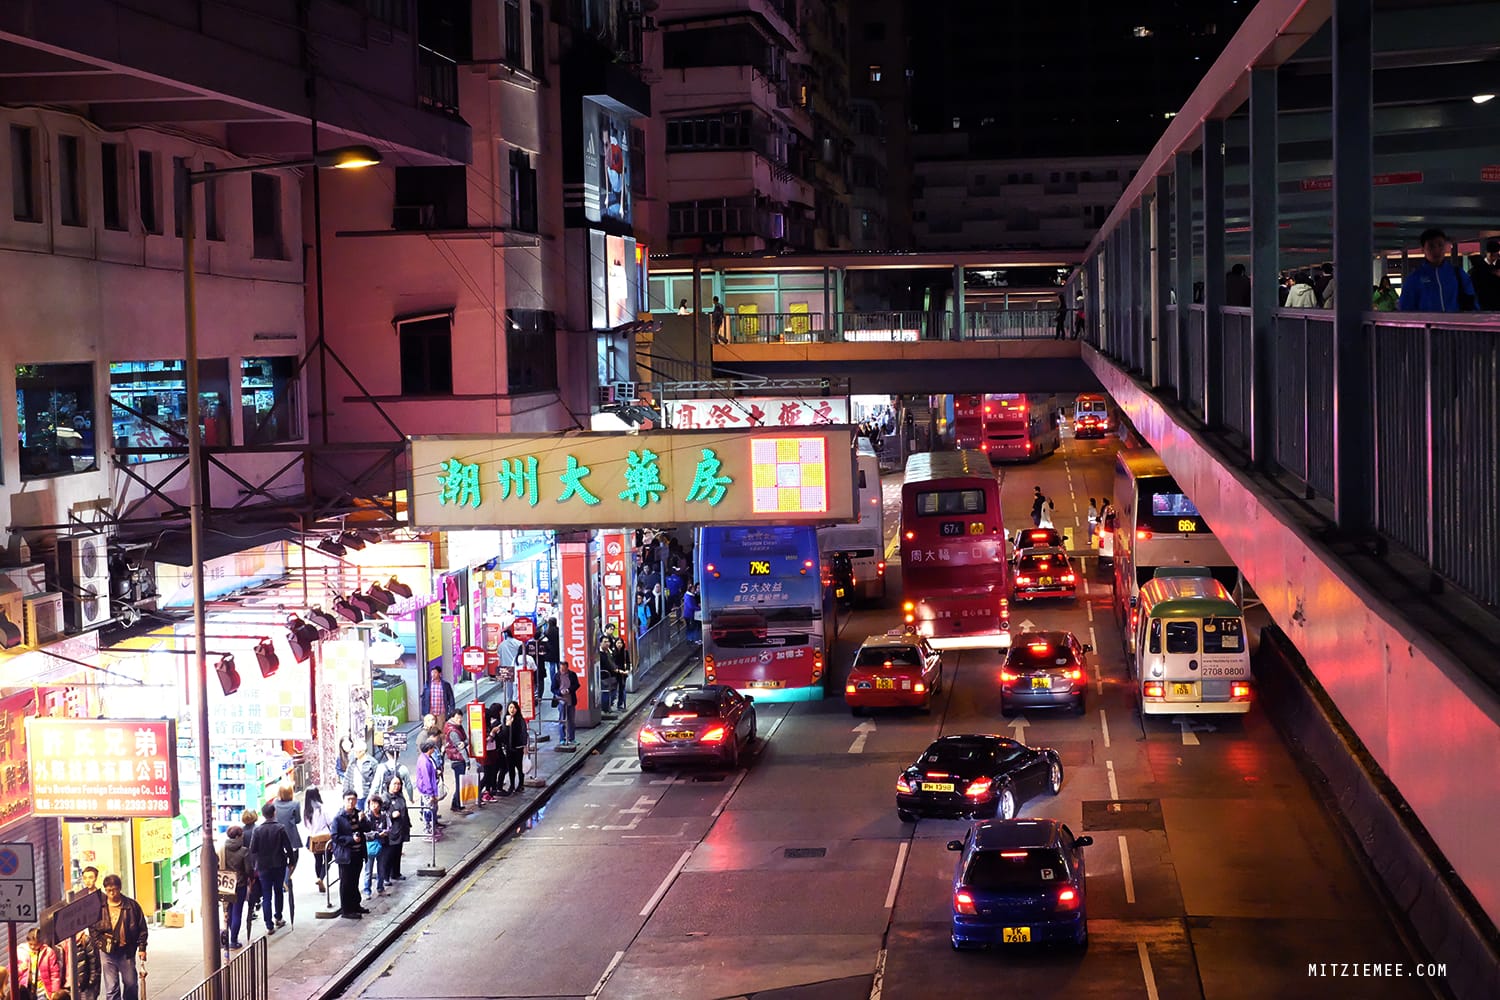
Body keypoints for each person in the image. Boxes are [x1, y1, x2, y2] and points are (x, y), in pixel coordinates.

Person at [92, 874, 147, 1000]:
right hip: (107, 952)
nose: (112, 893)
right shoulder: (99, 907)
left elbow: (141, 928)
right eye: (108, 890)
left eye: (114, 889)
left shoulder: (132, 906)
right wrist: (99, 943)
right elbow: (93, 928)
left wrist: (142, 948)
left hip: (126, 951)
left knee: (131, 984)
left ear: (120, 888)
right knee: (111, 988)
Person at [1400, 228, 1477, 312]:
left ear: (1445, 247)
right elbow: (1406, 309)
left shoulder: (1458, 274)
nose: (1436, 250)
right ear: (1423, 249)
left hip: (1456, 324)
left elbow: (1472, 302)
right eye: (1431, 246)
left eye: (1440, 245)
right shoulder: (1414, 279)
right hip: (1427, 324)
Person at [250, 800, 293, 932]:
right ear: (274, 813)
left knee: (266, 895)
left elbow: (253, 849)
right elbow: (288, 847)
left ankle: (268, 925)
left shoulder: (257, 830)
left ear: (263, 815)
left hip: (263, 866)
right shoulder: (280, 828)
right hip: (279, 864)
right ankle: (278, 917)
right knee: (278, 891)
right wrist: (291, 862)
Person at [330, 791, 370, 918]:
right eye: (348, 800)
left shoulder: (358, 814)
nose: (351, 802)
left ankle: (355, 905)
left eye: (353, 799)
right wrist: (351, 840)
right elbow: (335, 836)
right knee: (346, 882)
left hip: (358, 853)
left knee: (355, 881)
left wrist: (363, 820)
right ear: (343, 801)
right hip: (345, 856)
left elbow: (367, 828)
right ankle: (346, 910)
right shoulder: (338, 818)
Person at [268, 782, 302, 901]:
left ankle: (282, 879)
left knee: (280, 858)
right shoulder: (295, 804)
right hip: (291, 835)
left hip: (276, 835)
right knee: (294, 858)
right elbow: (298, 820)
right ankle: (286, 878)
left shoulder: (274, 804)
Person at [220, 823, 252, 949]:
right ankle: (233, 941)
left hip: (226, 883)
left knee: (228, 911)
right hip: (239, 884)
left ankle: (226, 939)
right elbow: (248, 870)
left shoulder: (222, 849)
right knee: (237, 912)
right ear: (239, 836)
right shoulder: (244, 851)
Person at [303, 786, 334, 894]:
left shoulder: (307, 811)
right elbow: (330, 822)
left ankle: (318, 879)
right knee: (328, 859)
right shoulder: (322, 808)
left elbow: (306, 826)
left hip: (314, 839)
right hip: (326, 838)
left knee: (318, 860)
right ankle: (321, 878)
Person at [360, 795, 391, 897]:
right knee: (368, 868)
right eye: (371, 804)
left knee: (381, 868)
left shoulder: (384, 815)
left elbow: (389, 827)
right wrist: (377, 834)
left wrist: (385, 832)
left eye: (375, 803)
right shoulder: (366, 817)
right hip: (370, 845)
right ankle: (367, 889)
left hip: (382, 844)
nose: (374, 806)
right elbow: (364, 832)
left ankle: (380, 887)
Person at [20, 927, 63, 1000]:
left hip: (42, 990)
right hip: (26, 990)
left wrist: (54, 992)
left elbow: (54, 973)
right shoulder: (22, 951)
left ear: (41, 942)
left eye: (36, 944)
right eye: (30, 944)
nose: (33, 947)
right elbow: (11, 970)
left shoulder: (48, 952)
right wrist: (20, 969)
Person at [383, 777, 412, 881]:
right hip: (391, 831)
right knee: (389, 855)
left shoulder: (400, 796)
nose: (397, 786)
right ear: (388, 785)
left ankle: (396, 873)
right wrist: (391, 814)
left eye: (399, 784)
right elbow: (381, 813)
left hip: (401, 829)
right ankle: (385, 877)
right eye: (394, 784)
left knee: (397, 852)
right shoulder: (385, 798)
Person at [442, 708, 470, 814]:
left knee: (460, 782)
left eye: (461, 718)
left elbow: (466, 740)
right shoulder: (453, 731)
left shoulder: (457, 727)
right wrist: (467, 761)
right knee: (459, 783)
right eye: (458, 718)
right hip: (457, 759)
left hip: (457, 759)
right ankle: (456, 805)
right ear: (452, 717)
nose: (460, 720)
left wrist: (465, 743)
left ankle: (457, 804)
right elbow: (460, 747)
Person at [415, 738, 443, 835]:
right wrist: (431, 794)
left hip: (428, 788)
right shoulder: (424, 761)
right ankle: (428, 830)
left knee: (431, 809)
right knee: (428, 810)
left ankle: (431, 828)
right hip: (427, 790)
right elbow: (426, 778)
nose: (434, 750)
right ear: (430, 749)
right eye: (433, 748)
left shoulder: (426, 758)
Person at [500, 701, 528, 795]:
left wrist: (524, 745)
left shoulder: (520, 719)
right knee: (511, 767)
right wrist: (507, 725)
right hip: (509, 748)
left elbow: (524, 733)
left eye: (514, 707)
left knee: (519, 767)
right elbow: (503, 734)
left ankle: (520, 784)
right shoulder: (505, 719)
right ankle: (512, 785)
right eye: (510, 707)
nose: (512, 710)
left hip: (518, 747)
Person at [481, 701, 505, 802]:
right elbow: (486, 740)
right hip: (487, 753)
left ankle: (488, 793)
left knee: (490, 773)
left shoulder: (488, 725)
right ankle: (480, 792)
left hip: (492, 751)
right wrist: (493, 733)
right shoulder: (486, 728)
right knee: (487, 775)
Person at [1468, 237, 1500, 310]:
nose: (1494, 257)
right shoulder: (1478, 268)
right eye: (1491, 254)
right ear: (1486, 252)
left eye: (1495, 254)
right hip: (1484, 304)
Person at [72, 929, 100, 1000]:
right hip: (72, 986)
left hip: (86, 986)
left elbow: (94, 962)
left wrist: (92, 981)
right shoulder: (64, 942)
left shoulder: (86, 940)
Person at [556, 665, 579, 748]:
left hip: (570, 700)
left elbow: (577, 685)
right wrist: (559, 692)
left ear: (567, 668)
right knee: (562, 720)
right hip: (561, 700)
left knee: (571, 720)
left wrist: (569, 690)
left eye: (564, 669)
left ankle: (571, 738)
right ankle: (562, 738)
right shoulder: (557, 676)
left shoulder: (572, 675)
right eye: (561, 669)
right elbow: (553, 688)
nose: (562, 671)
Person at [540, 617, 561, 700]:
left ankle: (553, 681)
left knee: (551, 668)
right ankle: (560, 679)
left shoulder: (547, 631)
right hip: (558, 651)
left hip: (550, 652)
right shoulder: (558, 630)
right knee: (559, 666)